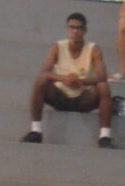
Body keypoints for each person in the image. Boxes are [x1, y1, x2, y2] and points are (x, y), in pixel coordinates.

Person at [26, 13, 116, 148]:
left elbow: (102, 76)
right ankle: (35, 131)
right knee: (41, 82)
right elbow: (44, 72)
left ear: (85, 31)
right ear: (67, 29)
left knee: (103, 87)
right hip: (60, 97)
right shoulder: (58, 47)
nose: (75, 31)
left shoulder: (93, 49)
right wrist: (64, 79)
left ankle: (104, 136)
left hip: (83, 99)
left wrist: (81, 82)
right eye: (72, 27)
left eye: (79, 28)